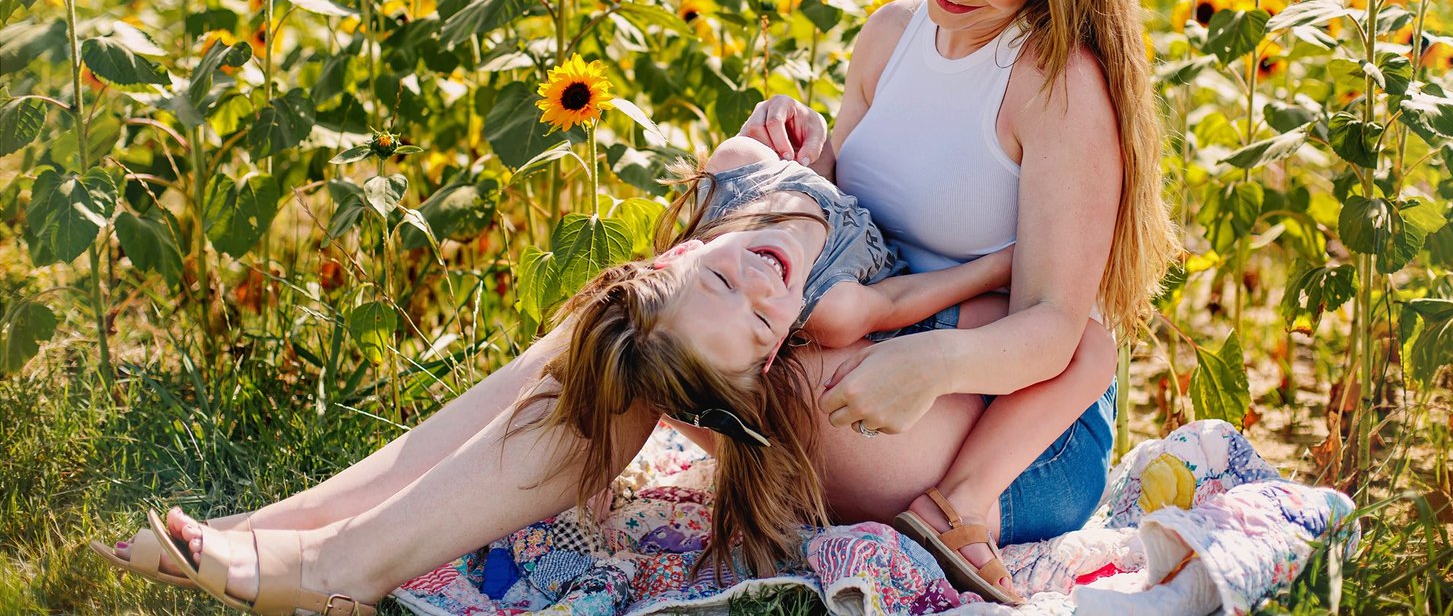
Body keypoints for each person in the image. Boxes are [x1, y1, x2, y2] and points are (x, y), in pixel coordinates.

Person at [95, 134, 1110, 612]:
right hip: (852, 349)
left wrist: (943, 353)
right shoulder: (900, 29)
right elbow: (847, 190)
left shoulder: (1059, 76)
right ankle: (288, 530)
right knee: (618, 323)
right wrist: (804, 143)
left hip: (979, 419)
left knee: (637, 351)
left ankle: (338, 566)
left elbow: (1082, 325)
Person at [739, 0, 1175, 598]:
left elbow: (1061, 332)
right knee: (654, 322)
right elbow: (852, 210)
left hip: (1012, 411)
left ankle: (958, 504)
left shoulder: (1055, 84)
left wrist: (927, 359)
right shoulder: (889, 35)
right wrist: (803, 150)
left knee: (739, 382)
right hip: (877, 335)